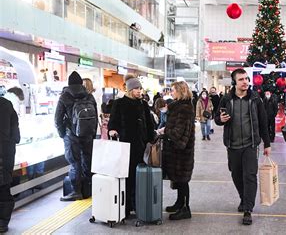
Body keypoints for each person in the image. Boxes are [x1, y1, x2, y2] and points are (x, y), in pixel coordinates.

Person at [214, 68, 271, 225]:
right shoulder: (226, 99)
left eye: (246, 78)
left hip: (251, 144)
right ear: (234, 82)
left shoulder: (255, 99)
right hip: (232, 144)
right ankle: (243, 198)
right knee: (236, 174)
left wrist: (267, 143)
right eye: (241, 79)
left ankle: (248, 209)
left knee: (250, 175)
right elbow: (216, 118)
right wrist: (221, 119)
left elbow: (263, 121)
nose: (245, 81)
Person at [108, 74, 155, 217]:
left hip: (141, 146)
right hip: (125, 145)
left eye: (140, 88)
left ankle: (137, 204)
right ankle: (126, 206)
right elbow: (113, 121)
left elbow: (149, 124)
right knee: (126, 176)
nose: (139, 91)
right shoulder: (120, 103)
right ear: (129, 90)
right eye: (136, 89)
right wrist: (113, 130)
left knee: (138, 176)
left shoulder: (144, 104)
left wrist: (151, 138)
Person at [55, 72, 98, 201]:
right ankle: (88, 189)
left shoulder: (64, 97)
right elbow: (95, 116)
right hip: (88, 134)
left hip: (72, 134)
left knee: (74, 162)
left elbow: (57, 119)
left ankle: (76, 191)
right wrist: (93, 133)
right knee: (88, 160)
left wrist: (63, 133)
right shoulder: (89, 96)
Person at [160, 81, 195, 220]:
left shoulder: (184, 108)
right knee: (179, 179)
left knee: (182, 180)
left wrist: (165, 131)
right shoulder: (178, 106)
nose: (171, 92)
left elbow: (179, 132)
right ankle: (179, 203)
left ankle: (185, 208)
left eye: (173, 90)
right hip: (176, 149)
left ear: (180, 91)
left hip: (181, 150)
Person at [0, 96, 20, 233]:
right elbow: (16, 134)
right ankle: (2, 222)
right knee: (4, 187)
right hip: (6, 152)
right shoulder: (6, 104)